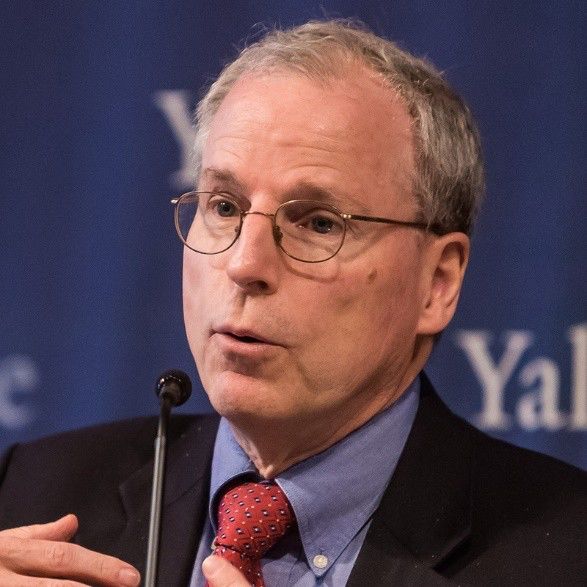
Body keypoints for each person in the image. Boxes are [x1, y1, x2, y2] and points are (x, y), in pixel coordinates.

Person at [0, 19, 585, 587]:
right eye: (224, 206)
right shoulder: (31, 495)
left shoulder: (565, 553)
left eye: (319, 223)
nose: (245, 264)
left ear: (437, 282)